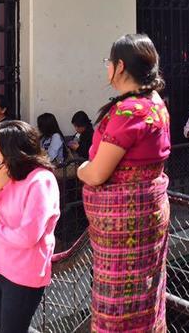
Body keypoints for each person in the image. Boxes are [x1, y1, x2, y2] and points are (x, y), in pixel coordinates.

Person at [77, 34, 171, 332]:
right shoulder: (156, 103)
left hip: (124, 227)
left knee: (116, 300)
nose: (107, 68)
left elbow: (97, 174)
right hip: (149, 218)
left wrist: (81, 169)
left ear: (119, 67)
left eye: (109, 62)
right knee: (146, 292)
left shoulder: (129, 111)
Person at [0, 120, 60, 333]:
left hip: (23, 274)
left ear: (11, 150)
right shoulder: (6, 175)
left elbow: (27, 237)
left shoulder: (41, 181)